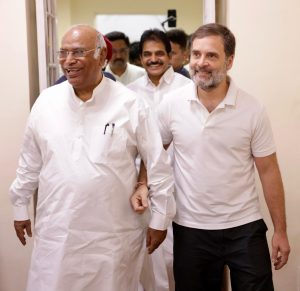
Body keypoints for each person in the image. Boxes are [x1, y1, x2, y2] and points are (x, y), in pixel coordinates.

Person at [9, 24, 175, 291]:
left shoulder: (130, 104)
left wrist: (160, 219)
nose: (68, 60)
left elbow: (158, 165)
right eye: (63, 52)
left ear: (101, 57)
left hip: (113, 236)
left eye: (77, 52)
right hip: (58, 230)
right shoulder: (46, 103)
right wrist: (20, 206)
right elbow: (30, 161)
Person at [132, 23, 291, 291]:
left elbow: (268, 171)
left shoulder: (252, 109)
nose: (201, 63)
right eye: (196, 54)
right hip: (191, 229)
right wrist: (141, 184)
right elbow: (154, 154)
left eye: (211, 56)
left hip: (245, 227)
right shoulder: (171, 105)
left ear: (229, 61)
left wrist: (281, 231)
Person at [128, 29, 191, 291]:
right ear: (140, 58)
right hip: (139, 185)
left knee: (177, 259)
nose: (153, 59)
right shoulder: (128, 94)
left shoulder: (188, 89)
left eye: (159, 54)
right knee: (145, 257)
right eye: (147, 54)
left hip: (182, 183)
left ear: (170, 56)